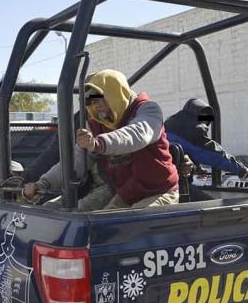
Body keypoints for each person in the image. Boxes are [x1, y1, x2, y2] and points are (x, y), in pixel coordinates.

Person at [24, 69, 179, 210]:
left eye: (97, 98)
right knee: (72, 218)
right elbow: (78, 160)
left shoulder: (148, 110)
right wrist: (42, 184)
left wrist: (98, 143)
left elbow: (138, 134)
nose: (94, 105)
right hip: (124, 193)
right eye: (90, 101)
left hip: (158, 192)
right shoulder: (96, 124)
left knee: (120, 229)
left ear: (113, 93)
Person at [164, 98, 248, 180]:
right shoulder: (193, 129)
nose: (204, 124)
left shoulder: (170, 124)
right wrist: (241, 169)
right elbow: (212, 154)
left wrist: (197, 169)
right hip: (174, 184)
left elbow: (186, 152)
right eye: (203, 118)